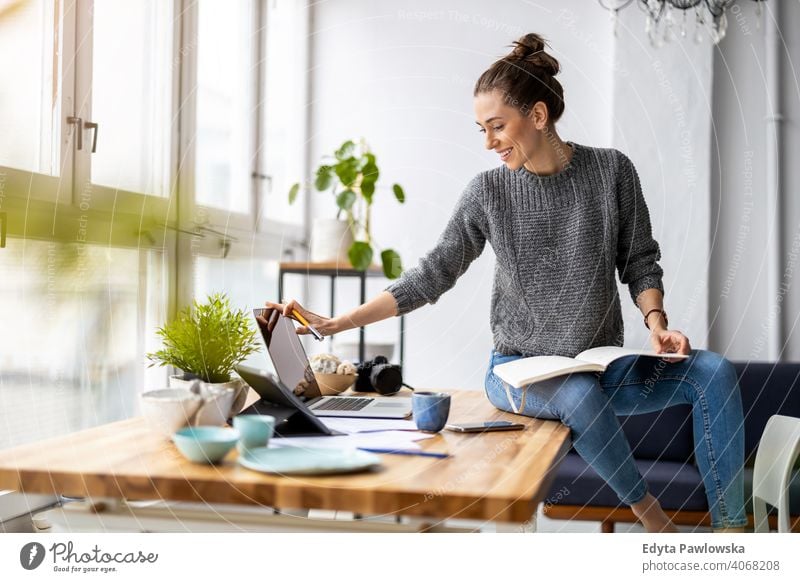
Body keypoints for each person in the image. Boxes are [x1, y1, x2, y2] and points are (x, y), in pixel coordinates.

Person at [267, 33, 745, 533]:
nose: (489, 142)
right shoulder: (489, 191)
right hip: (516, 372)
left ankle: (732, 536)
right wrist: (339, 322)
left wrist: (656, 323)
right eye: (482, 129)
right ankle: (655, 522)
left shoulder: (612, 172)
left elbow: (641, 261)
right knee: (578, 393)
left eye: (497, 126)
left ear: (538, 116)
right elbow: (432, 274)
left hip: (598, 367)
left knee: (711, 372)